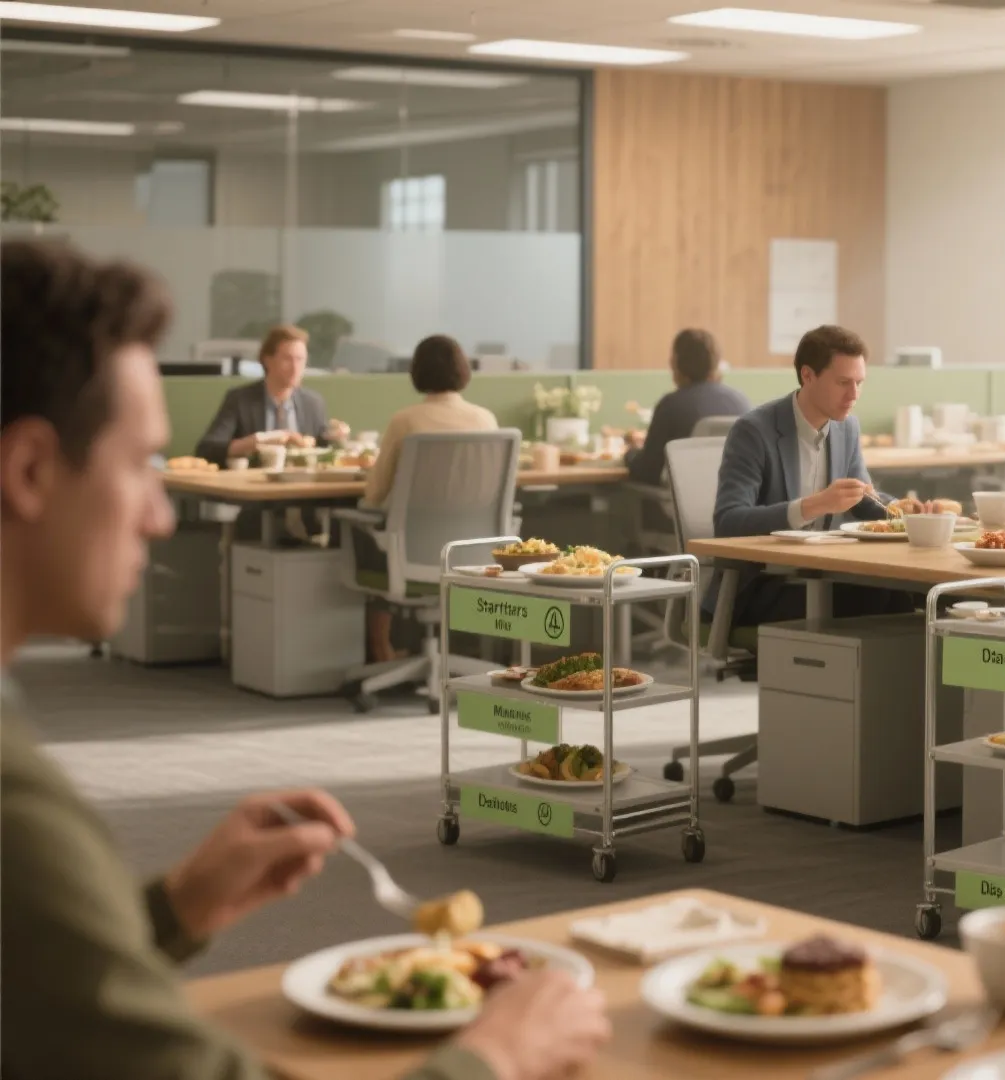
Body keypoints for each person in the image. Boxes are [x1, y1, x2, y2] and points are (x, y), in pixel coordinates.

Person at [1, 240, 609, 1080]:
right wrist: (494, 1056)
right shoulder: (16, 806)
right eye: (139, 463)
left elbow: (35, 997)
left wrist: (177, 907)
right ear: (31, 468)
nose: (160, 516)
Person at [712, 324, 904, 628]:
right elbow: (728, 522)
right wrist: (812, 506)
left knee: (904, 596)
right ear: (807, 375)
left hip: (821, 576)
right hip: (763, 585)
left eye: (859, 383)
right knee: (877, 599)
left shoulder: (846, 428)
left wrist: (902, 510)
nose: (854, 394)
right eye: (843, 382)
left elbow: (864, 499)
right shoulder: (754, 431)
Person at [356, 335, 500, 661]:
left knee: (370, 531)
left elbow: (374, 494)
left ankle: (382, 651)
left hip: (412, 555)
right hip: (473, 556)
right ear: (463, 370)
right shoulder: (486, 420)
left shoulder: (406, 421)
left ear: (416, 372)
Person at [193, 324, 350, 464]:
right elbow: (207, 449)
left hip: (303, 489)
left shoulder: (313, 403)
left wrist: (337, 438)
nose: (295, 368)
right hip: (254, 488)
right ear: (268, 360)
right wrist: (259, 441)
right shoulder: (240, 400)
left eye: (300, 360)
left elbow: (323, 448)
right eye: (287, 359)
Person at [624, 328, 750, 487]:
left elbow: (648, 471)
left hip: (677, 507)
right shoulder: (741, 402)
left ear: (676, 363)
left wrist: (630, 454)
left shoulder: (671, 405)